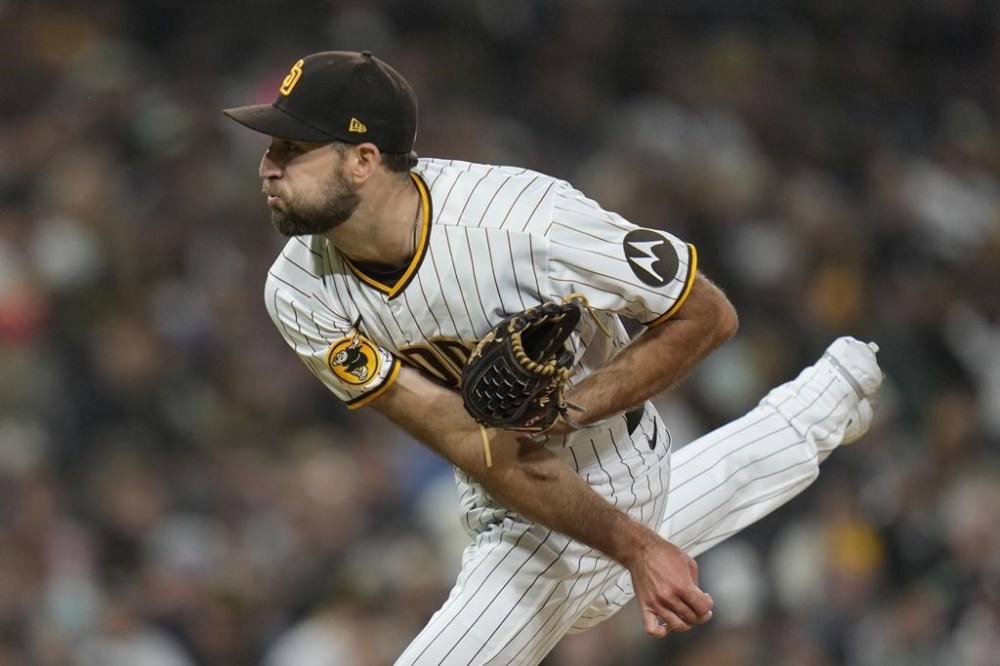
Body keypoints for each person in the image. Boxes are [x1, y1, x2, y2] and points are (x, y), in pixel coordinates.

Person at [223, 50, 883, 664]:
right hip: (498, 487)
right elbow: (465, 437)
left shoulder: (528, 223)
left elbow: (709, 315)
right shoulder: (296, 290)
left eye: (292, 147)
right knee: (622, 566)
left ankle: (819, 404)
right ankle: (832, 393)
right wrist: (636, 542)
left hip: (613, 463)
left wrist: (571, 416)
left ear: (363, 160)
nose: (267, 165)